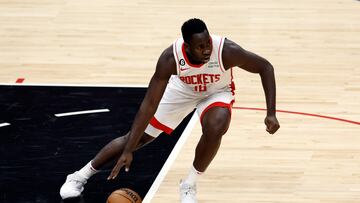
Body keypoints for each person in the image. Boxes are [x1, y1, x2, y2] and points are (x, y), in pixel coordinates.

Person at [59, 18, 280, 202]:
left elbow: (265, 67)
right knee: (137, 138)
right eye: (200, 46)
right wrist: (129, 149)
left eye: (207, 44)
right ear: (186, 46)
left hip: (216, 91)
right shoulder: (170, 58)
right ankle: (79, 176)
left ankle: (189, 185)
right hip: (182, 91)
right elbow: (149, 104)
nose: (206, 50)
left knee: (217, 125)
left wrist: (271, 112)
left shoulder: (226, 50)